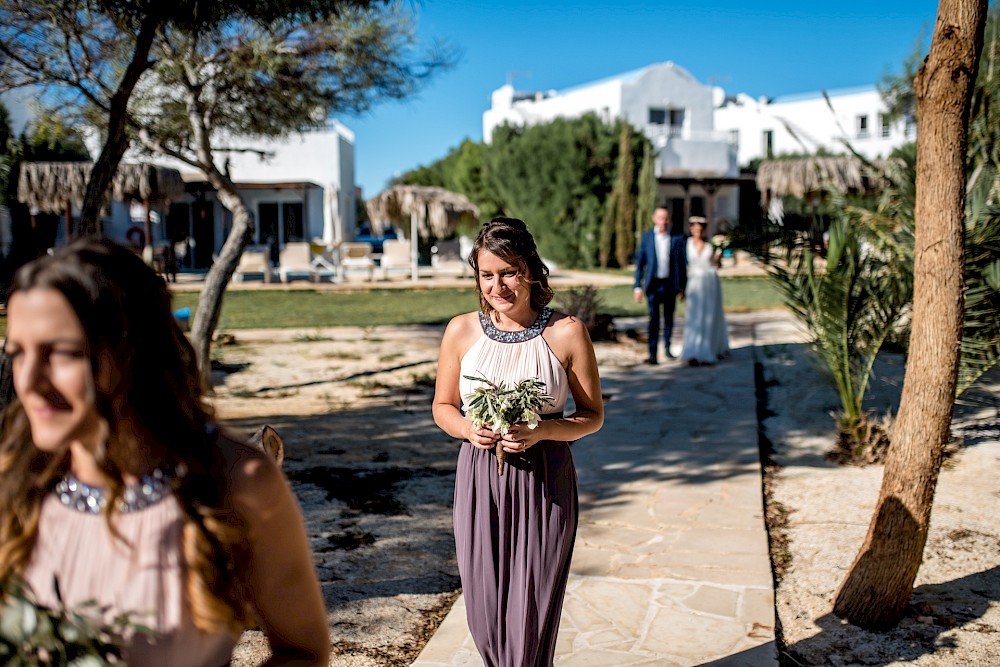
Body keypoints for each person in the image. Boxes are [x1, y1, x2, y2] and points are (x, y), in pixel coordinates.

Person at [0, 239, 329, 666]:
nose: (29, 381)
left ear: (129, 351)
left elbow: (302, 652)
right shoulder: (13, 479)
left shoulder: (235, 483)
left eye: (60, 354)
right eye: (18, 354)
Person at [433, 217, 604, 666]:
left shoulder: (566, 333)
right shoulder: (460, 331)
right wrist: (469, 428)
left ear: (531, 270)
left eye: (509, 272)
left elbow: (592, 417)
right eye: (486, 275)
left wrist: (544, 429)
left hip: (545, 481)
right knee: (485, 617)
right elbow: (443, 407)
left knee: (530, 616)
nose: (498, 286)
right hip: (478, 478)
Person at [634, 206, 687, 364]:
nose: (663, 221)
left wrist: (683, 286)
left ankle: (668, 349)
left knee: (669, 318)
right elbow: (640, 264)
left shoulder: (676, 238)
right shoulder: (647, 238)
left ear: (668, 220)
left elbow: (681, 265)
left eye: (665, 218)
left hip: (670, 285)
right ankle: (652, 353)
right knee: (654, 320)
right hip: (653, 285)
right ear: (654, 219)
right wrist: (637, 286)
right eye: (660, 218)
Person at [680, 217, 730, 366]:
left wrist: (718, 256)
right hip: (694, 283)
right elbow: (682, 265)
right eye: (694, 227)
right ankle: (692, 351)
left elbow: (717, 265)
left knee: (710, 315)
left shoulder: (711, 245)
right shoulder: (686, 244)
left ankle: (709, 348)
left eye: (700, 227)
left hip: (709, 283)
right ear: (690, 228)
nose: (697, 230)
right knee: (694, 316)